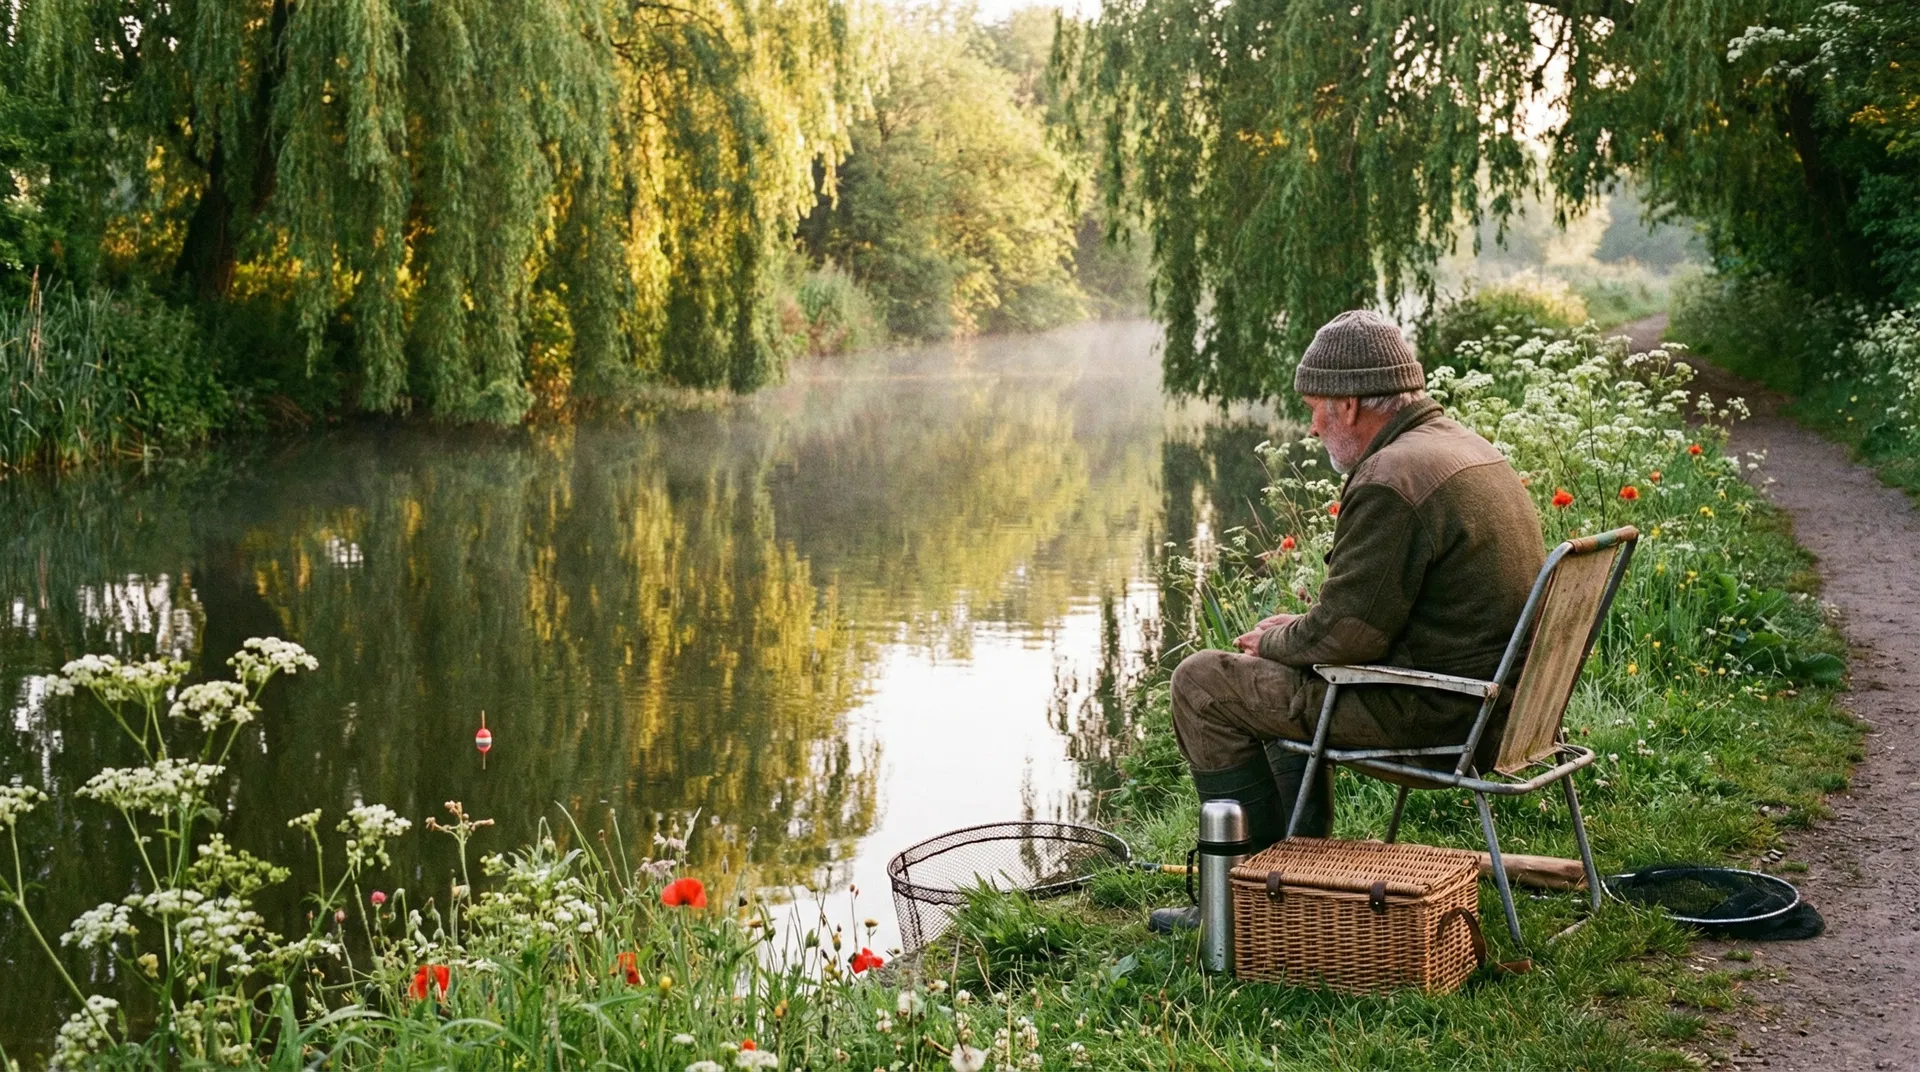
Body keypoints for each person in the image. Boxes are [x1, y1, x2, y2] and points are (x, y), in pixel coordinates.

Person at [1153, 311, 1543, 929]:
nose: (1311, 426)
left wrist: (1284, 640)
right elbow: (1370, 617)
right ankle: (1285, 882)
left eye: (1316, 408)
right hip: (1505, 711)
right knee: (1273, 664)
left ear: (1353, 404)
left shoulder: (1393, 477)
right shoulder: (1466, 449)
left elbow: (1348, 636)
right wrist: (1290, 638)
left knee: (1202, 683)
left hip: (1439, 715)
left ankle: (1235, 909)